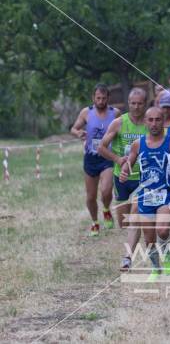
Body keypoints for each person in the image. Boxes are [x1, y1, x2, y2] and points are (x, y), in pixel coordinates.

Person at [119, 107, 170, 282]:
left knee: (162, 230)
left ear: (163, 122)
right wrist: (124, 171)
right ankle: (156, 268)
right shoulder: (138, 144)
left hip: (167, 193)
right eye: (150, 120)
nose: (154, 124)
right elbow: (129, 162)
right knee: (149, 239)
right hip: (146, 196)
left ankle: (168, 256)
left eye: (158, 120)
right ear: (145, 122)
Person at [98, 87, 147, 271]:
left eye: (139, 103)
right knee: (124, 222)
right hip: (122, 178)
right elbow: (101, 147)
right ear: (128, 104)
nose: (136, 107)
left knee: (136, 217)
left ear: (145, 104)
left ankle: (127, 258)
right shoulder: (119, 123)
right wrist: (118, 159)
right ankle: (131, 241)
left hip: (143, 179)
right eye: (133, 103)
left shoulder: (150, 124)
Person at [71, 83, 121, 236]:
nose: (100, 101)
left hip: (107, 157)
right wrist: (78, 133)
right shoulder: (87, 112)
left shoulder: (116, 113)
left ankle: (106, 209)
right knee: (91, 196)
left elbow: (122, 130)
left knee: (106, 190)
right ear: (93, 98)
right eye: (98, 98)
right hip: (91, 158)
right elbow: (73, 128)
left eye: (103, 98)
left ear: (108, 98)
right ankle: (95, 222)